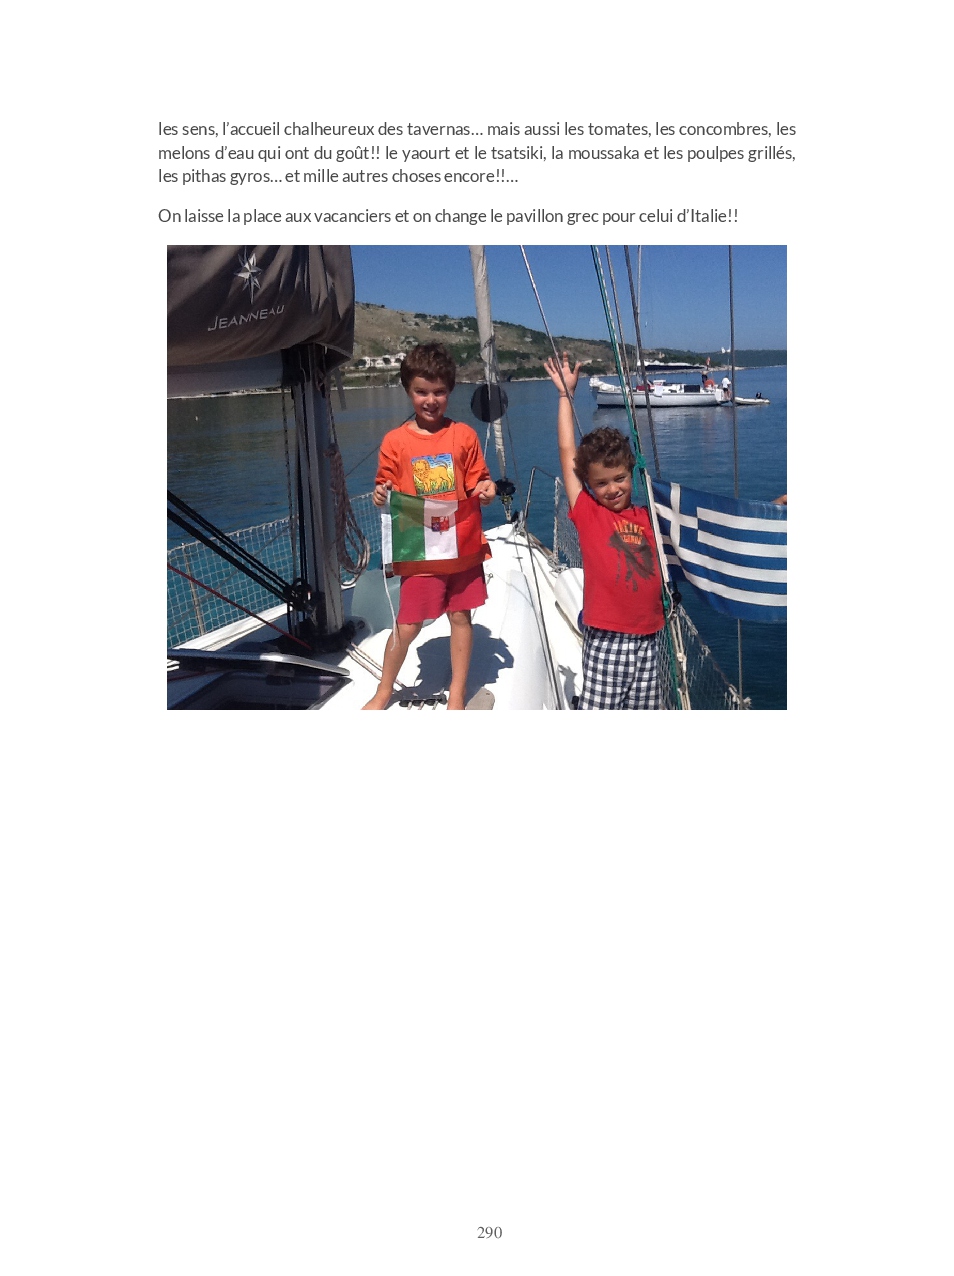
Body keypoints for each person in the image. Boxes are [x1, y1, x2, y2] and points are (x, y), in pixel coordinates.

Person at [362, 343, 497, 710]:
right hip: (419, 550)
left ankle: (457, 692)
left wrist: (487, 490)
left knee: (460, 616)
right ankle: (384, 691)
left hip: (461, 546)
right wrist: (380, 494)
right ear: (408, 390)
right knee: (408, 624)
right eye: (422, 392)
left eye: (439, 392)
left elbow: (479, 482)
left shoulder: (464, 436)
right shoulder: (395, 441)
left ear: (449, 391)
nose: (431, 400)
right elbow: (384, 488)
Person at [544, 352, 665, 710]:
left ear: (631, 472)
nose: (612, 489)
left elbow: (697, 525)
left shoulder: (650, 518)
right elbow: (567, 450)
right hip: (608, 641)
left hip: (651, 639)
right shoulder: (588, 513)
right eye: (601, 483)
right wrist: (565, 396)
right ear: (588, 483)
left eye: (620, 478)